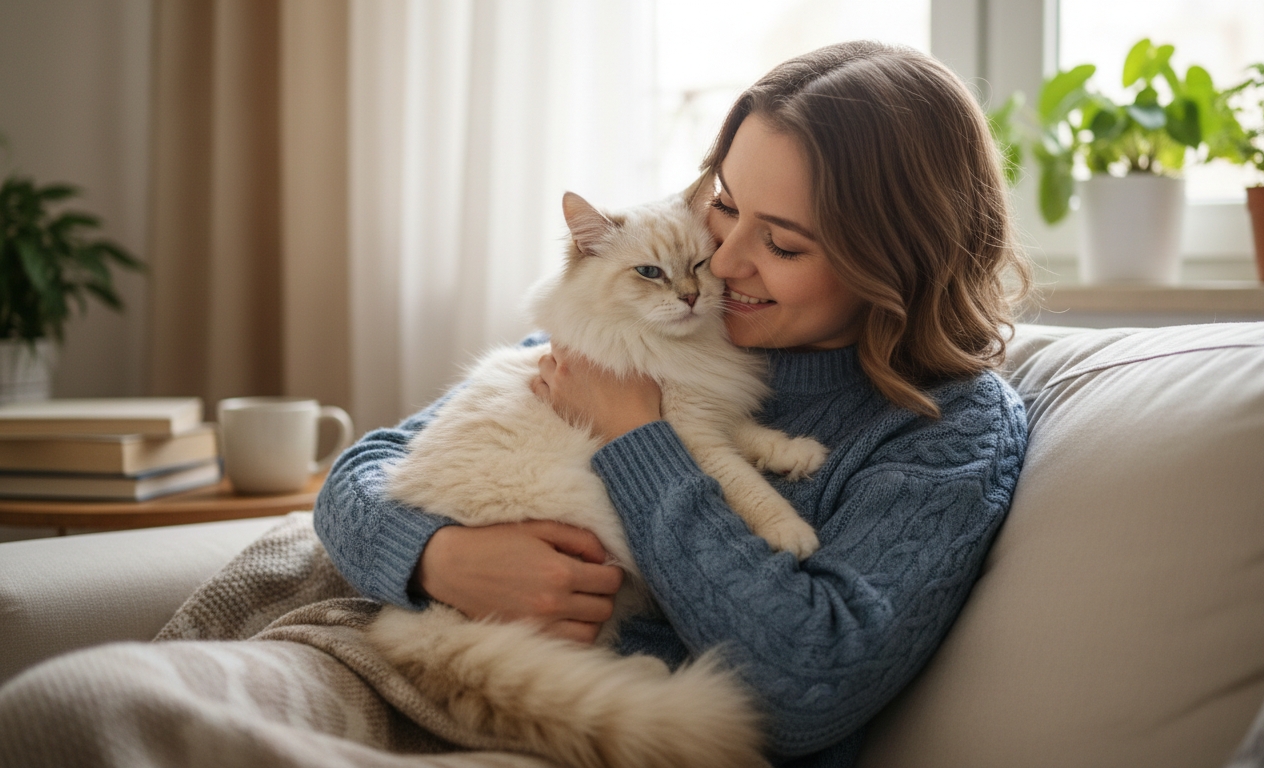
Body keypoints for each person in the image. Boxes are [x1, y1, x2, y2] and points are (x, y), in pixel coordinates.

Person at [314, 40, 1031, 768]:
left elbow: (808, 681)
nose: (719, 262)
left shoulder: (950, 427)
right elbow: (361, 472)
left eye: (781, 244)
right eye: (724, 205)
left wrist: (635, 434)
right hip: (426, 672)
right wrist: (437, 557)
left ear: (897, 260)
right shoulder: (621, 329)